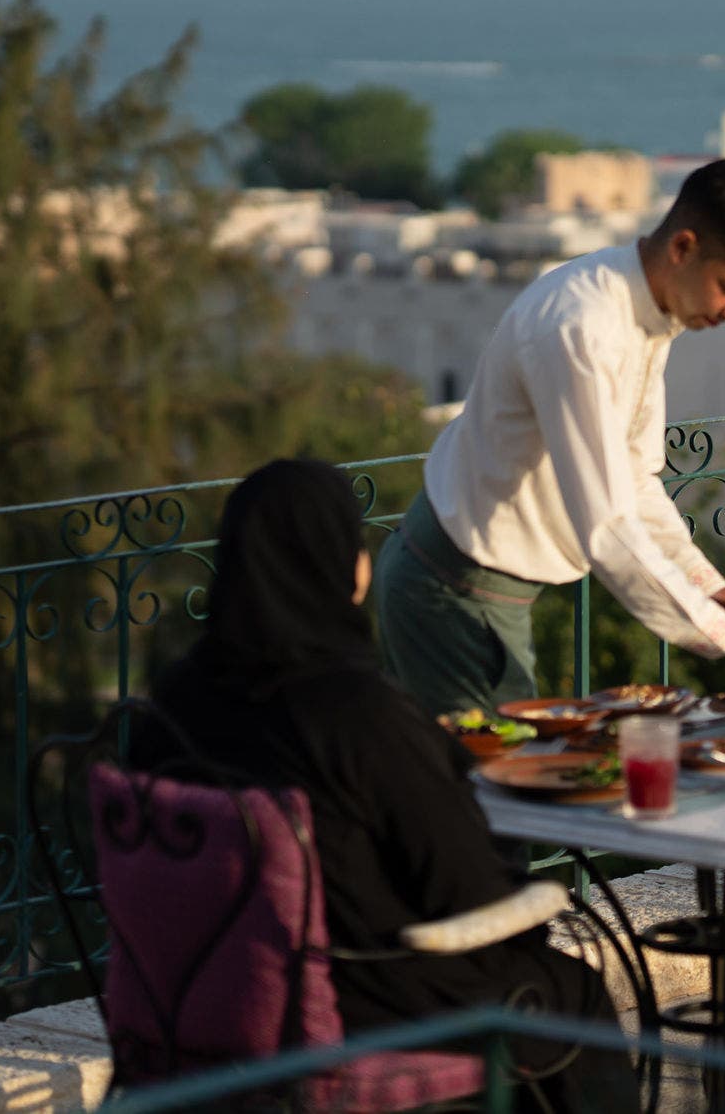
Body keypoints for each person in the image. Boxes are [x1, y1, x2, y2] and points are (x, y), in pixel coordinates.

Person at [142, 459, 637, 1111]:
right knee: (567, 989)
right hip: (356, 1008)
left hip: (205, 1000)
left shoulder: (167, 708)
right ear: (346, 571)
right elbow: (468, 889)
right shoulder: (356, 715)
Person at [375, 157, 725, 717]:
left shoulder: (649, 308)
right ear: (683, 248)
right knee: (483, 793)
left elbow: (634, 480)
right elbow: (608, 525)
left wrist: (709, 590)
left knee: (490, 785)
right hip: (453, 593)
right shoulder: (581, 326)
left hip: (479, 590)